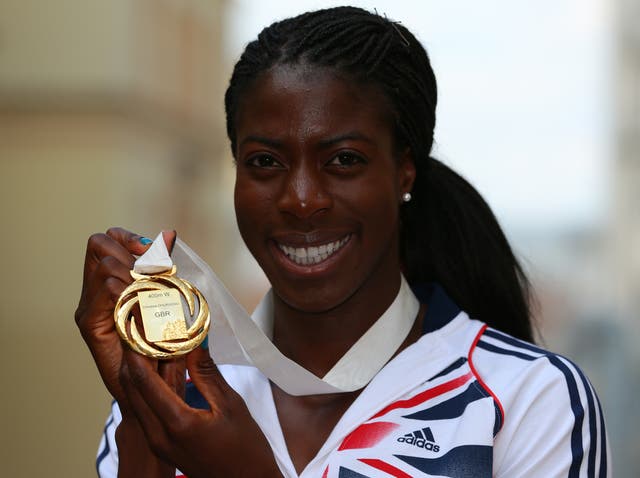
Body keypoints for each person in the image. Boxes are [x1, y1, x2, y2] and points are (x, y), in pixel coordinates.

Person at [76, 6, 610, 477]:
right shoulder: (170, 402)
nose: (301, 199)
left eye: (344, 160)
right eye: (264, 162)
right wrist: (142, 413)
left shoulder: (528, 399)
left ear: (404, 171)